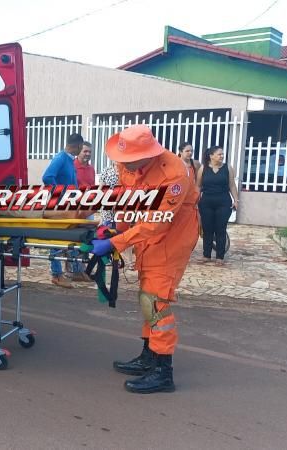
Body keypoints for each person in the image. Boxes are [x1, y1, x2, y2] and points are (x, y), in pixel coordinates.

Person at [89, 125, 199, 394]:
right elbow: (128, 202)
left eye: (128, 161)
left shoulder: (174, 174)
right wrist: (118, 228)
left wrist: (114, 242)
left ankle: (163, 371)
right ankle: (149, 356)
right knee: (147, 295)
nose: (123, 165)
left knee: (156, 300)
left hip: (172, 237)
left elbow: (156, 223)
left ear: (148, 155)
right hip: (148, 235)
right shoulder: (127, 162)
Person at [42, 133, 84, 288]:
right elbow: (47, 177)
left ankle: (76, 270)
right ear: (78, 146)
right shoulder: (60, 158)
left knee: (69, 237)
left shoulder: (69, 160)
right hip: (60, 206)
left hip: (69, 205)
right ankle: (57, 274)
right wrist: (59, 195)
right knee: (56, 240)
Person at [196, 146, 239, 265]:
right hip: (206, 202)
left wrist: (236, 200)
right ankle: (206, 255)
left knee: (220, 229)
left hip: (223, 202)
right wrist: (194, 201)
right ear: (211, 156)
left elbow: (232, 185)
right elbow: (198, 186)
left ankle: (220, 256)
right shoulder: (203, 168)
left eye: (222, 154)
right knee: (207, 229)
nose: (222, 156)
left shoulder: (227, 168)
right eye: (219, 154)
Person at [70, 141, 96, 281]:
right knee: (75, 238)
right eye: (85, 151)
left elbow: (92, 187)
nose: (87, 154)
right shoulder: (72, 166)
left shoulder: (91, 169)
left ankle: (82, 269)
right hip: (76, 208)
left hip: (89, 208)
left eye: (89, 152)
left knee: (88, 239)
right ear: (79, 151)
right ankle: (76, 270)